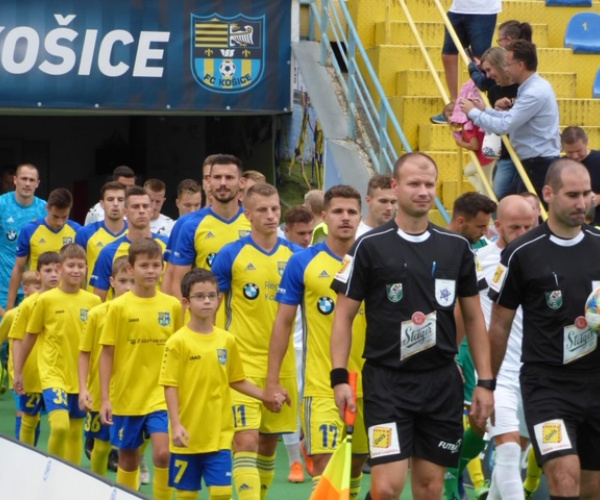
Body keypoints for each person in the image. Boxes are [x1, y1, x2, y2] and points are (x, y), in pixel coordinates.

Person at [329, 152, 494, 500]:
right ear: (395, 186)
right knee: (387, 487)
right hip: (387, 382)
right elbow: (343, 315)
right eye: (414, 183)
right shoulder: (369, 245)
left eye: (429, 184)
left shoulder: (458, 248)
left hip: (440, 383)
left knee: (430, 487)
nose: (423, 191)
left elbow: (475, 317)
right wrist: (339, 376)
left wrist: (485, 381)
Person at [488, 158, 600, 499]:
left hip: (595, 382)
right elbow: (499, 325)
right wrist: (486, 385)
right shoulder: (522, 253)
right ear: (548, 194)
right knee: (564, 478)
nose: (582, 203)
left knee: (591, 489)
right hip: (547, 385)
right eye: (572, 195)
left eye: (587, 194)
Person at [266, 185, 369, 497]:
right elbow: (283, 324)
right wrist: (272, 379)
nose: (345, 218)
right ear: (323, 216)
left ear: (360, 216)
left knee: (355, 467)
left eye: (352, 212)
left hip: (372, 384)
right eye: (338, 211)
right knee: (325, 464)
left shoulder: (375, 259)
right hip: (321, 384)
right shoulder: (303, 263)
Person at [212, 183, 303, 500]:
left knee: (267, 441)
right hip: (243, 363)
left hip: (283, 364)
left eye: (275, 209)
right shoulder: (231, 254)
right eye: (262, 209)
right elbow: (212, 307)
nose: (270, 215)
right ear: (247, 213)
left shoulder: (295, 256)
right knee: (246, 440)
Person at [159, 268, 283, 500]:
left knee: (222, 492)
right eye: (199, 296)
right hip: (187, 437)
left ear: (219, 299)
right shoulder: (177, 342)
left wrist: (264, 395)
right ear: (186, 302)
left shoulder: (226, 340)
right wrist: (175, 424)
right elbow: (170, 386)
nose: (206, 301)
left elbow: (236, 379)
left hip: (219, 435)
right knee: (186, 495)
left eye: (211, 296)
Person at [99, 239, 183, 499]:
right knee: (128, 459)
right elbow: (107, 352)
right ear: (130, 269)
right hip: (127, 394)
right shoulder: (117, 307)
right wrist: (105, 398)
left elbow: (180, 350)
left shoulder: (172, 305)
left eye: (155, 265)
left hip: (161, 394)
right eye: (144, 265)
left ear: (162, 268)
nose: (150, 270)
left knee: (163, 453)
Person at [14, 244, 101, 464]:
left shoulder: (94, 303)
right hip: (52, 374)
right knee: (60, 425)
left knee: (74, 431)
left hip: (81, 378)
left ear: (86, 268)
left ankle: (71, 481)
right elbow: (30, 337)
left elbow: (99, 345)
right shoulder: (46, 300)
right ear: (60, 268)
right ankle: (49, 469)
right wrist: (19, 372)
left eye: (81, 266)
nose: (76, 270)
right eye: (70, 265)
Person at [474, 195, 536, 500]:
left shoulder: (545, 255)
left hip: (538, 371)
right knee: (508, 448)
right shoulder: (481, 260)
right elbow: (465, 311)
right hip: (498, 371)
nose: (524, 233)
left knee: (517, 449)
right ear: (497, 226)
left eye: (530, 226)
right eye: (515, 227)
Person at [460, 40, 561, 201]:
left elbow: (505, 125)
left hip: (538, 163)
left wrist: (473, 113)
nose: (505, 68)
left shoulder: (533, 92)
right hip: (533, 161)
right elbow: (510, 118)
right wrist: (485, 111)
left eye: (507, 64)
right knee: (507, 204)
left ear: (520, 65)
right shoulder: (531, 88)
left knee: (521, 209)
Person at [167, 154, 251, 301]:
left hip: (246, 322)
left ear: (241, 182)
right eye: (217, 177)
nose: (222, 183)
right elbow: (178, 283)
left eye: (229, 178)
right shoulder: (191, 226)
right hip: (206, 320)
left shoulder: (254, 222)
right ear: (209, 181)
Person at [78, 256, 134, 477]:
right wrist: (83, 388)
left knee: (131, 450)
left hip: (132, 391)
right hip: (100, 391)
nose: (128, 287)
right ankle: (96, 487)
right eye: (123, 281)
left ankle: (128, 488)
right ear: (112, 281)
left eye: (132, 281)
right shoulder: (97, 314)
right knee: (100, 447)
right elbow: (84, 353)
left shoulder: (146, 311)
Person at [279, 204, 315, 482]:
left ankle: (309, 448)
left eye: (310, 233)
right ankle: (294, 462)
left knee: (310, 401)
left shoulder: (312, 258)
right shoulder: (279, 254)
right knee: (291, 399)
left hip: (311, 343)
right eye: (301, 233)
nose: (306, 238)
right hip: (284, 343)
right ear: (286, 230)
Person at [9, 253, 60, 446]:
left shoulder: (68, 300)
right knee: (29, 420)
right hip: (32, 373)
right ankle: (25, 460)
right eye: (48, 270)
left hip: (58, 373)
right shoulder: (28, 304)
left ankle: (59, 465)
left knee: (61, 422)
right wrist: (18, 372)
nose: (53, 275)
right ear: (38, 274)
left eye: (57, 270)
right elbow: (17, 338)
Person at [90, 186, 168, 301]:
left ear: (151, 210)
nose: (141, 211)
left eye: (145, 206)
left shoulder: (167, 246)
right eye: (135, 207)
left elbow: (176, 288)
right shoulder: (109, 252)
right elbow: (99, 300)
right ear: (125, 211)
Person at [8, 188, 80, 310]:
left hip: (66, 300)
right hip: (36, 300)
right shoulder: (30, 230)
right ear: (47, 208)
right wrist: (10, 308)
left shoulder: (77, 231)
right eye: (55, 216)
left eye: (64, 217)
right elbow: (19, 269)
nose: (59, 222)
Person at [430, 0, 501, 124]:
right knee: (448, 55)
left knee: (480, 59)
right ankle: (455, 105)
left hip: (483, 10)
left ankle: (477, 106)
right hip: (457, 8)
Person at [472, 47, 521, 198]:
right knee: (498, 196)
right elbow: (495, 124)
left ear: (500, 64)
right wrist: (495, 109)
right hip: (506, 152)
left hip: (525, 151)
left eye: (489, 69)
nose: (488, 75)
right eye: (484, 71)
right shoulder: (494, 90)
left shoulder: (523, 86)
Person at [0, 164, 46, 314]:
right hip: (3, 287)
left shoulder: (45, 209)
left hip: (35, 286)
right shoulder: (2, 205)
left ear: (37, 183)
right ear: (15, 180)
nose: (27, 183)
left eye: (31, 180)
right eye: (23, 179)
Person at [1, 270, 40, 440]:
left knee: (34, 416)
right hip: (17, 373)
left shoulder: (45, 310)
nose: (41, 291)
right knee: (22, 413)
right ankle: (23, 451)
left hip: (38, 374)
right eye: (37, 287)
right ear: (25, 289)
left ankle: (33, 451)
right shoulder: (12, 315)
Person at [75, 181, 127, 291]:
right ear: (102, 204)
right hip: (94, 304)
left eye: (120, 200)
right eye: (110, 199)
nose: (116, 203)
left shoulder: (134, 234)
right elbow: (78, 273)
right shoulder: (85, 233)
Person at [469, 20, 533, 92]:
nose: (499, 44)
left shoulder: (512, 61)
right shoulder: (528, 56)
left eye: (500, 40)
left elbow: (484, 83)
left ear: (508, 40)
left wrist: (473, 68)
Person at [561, 126, 600, 225]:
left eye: (579, 151)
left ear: (587, 142)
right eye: (569, 152)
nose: (574, 156)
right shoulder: (560, 165)